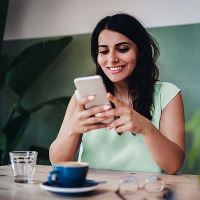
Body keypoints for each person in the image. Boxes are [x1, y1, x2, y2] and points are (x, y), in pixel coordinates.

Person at [49, 13, 185, 174]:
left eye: (122, 49)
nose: (111, 59)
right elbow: (57, 162)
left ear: (140, 51)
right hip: (93, 192)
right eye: (104, 51)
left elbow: (173, 166)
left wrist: (146, 128)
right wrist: (72, 130)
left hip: (146, 193)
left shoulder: (168, 94)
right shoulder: (83, 97)